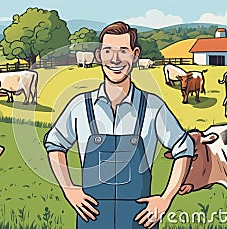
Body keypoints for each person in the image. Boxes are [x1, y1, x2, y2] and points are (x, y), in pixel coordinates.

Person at [44, 21, 194, 229]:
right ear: (99, 55)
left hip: (140, 218)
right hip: (91, 217)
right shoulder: (79, 106)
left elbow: (184, 148)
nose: (115, 59)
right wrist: (69, 189)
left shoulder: (153, 107)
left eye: (123, 51)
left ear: (135, 55)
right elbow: (55, 144)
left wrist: (166, 199)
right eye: (108, 51)